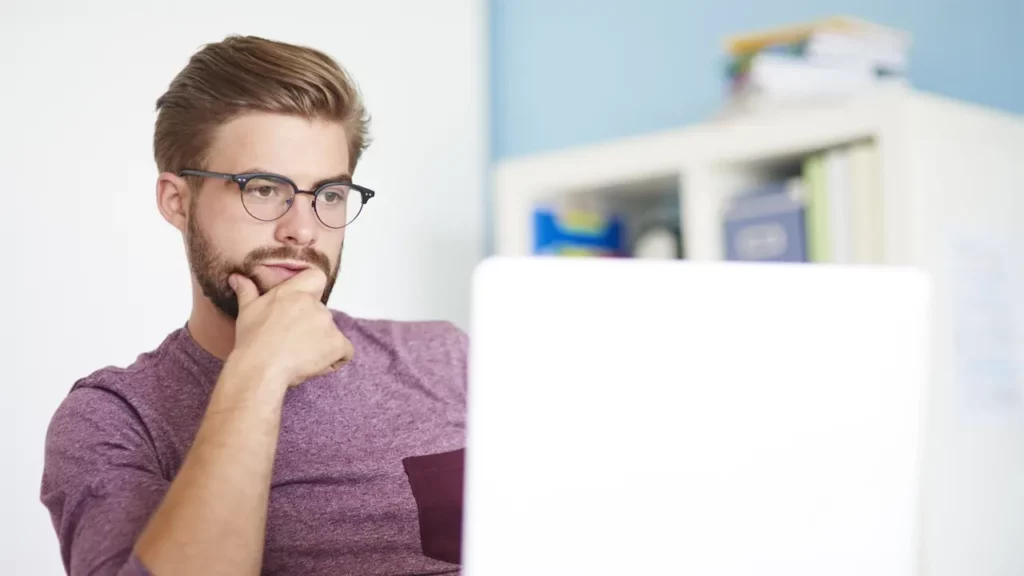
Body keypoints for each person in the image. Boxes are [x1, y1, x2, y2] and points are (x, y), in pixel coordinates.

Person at [40, 35, 468, 576]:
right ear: (177, 201)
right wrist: (258, 370)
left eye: (329, 195)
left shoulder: (445, 357)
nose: (303, 230)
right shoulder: (116, 417)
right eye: (264, 189)